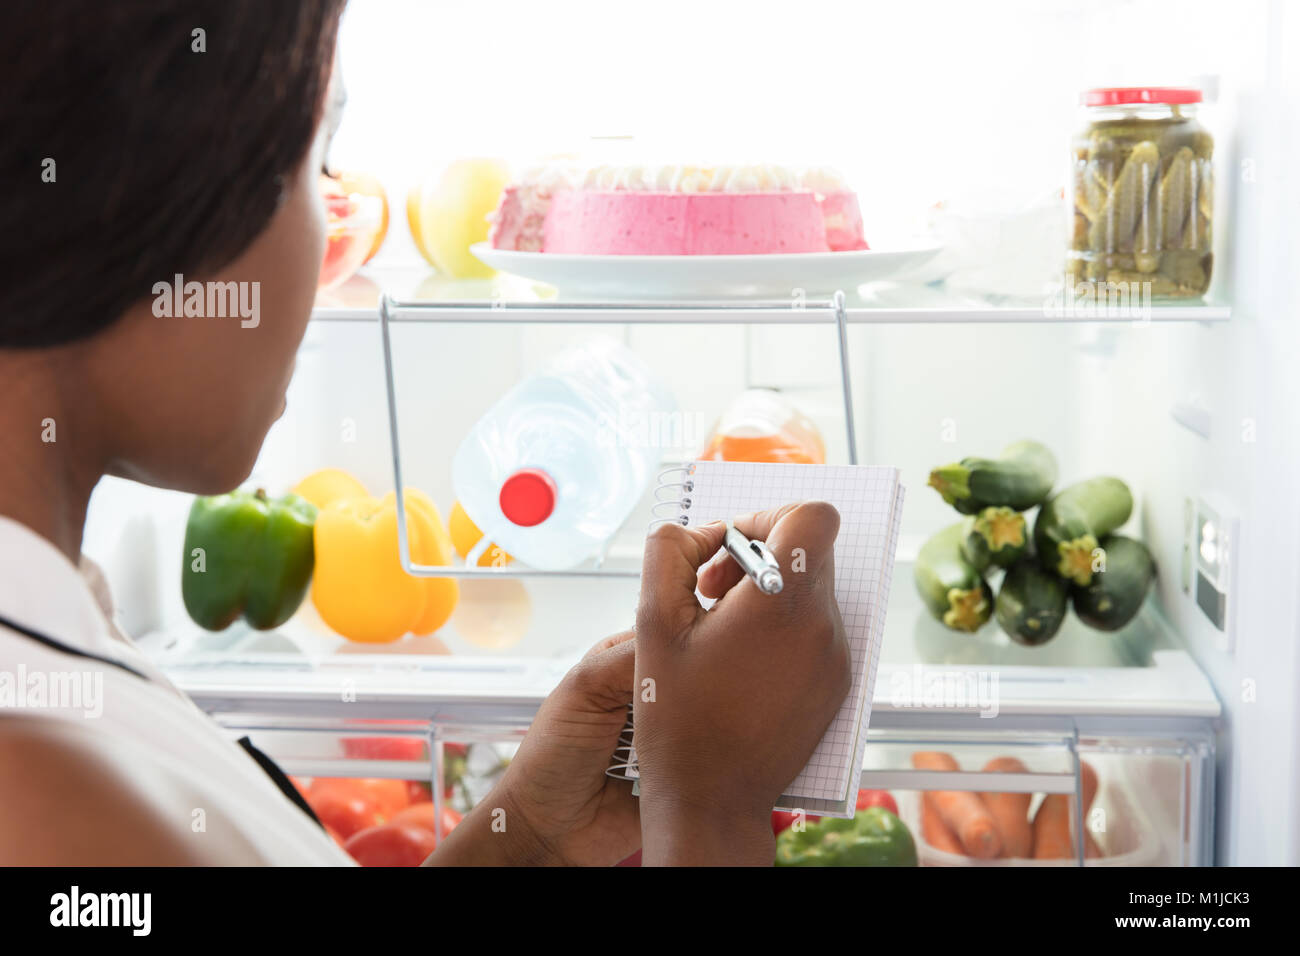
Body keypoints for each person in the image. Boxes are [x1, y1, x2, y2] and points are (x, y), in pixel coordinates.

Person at [0, 1, 849, 866]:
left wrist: (531, 827)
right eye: (313, 163)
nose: (329, 226)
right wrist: (712, 802)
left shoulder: (53, 631)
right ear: (144, 190)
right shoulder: (39, 790)